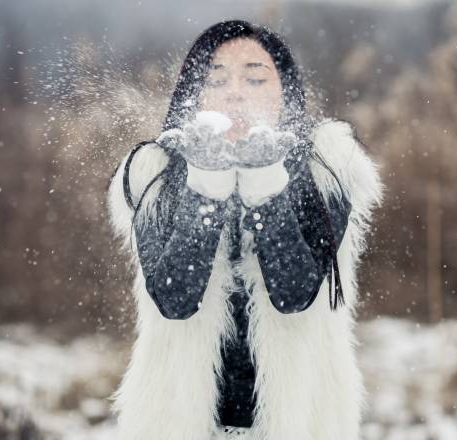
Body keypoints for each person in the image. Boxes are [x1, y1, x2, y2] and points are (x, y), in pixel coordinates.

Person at [106, 19, 384, 440]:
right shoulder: (156, 173)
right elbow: (175, 297)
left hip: (301, 421)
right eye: (215, 80)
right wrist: (207, 183)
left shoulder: (325, 167)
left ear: (285, 92)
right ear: (193, 95)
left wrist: (265, 181)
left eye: (255, 78)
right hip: (175, 422)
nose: (235, 92)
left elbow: (294, 293)